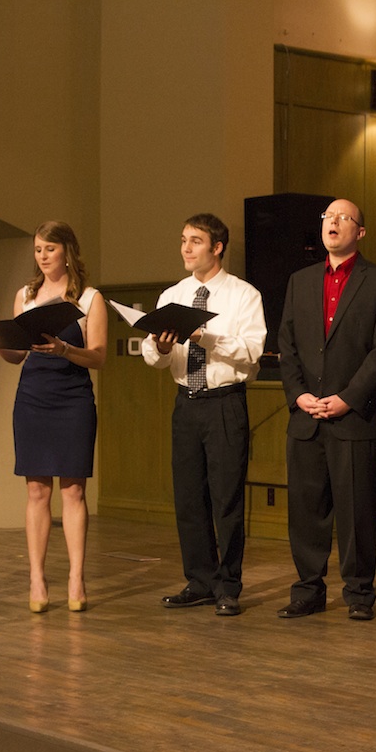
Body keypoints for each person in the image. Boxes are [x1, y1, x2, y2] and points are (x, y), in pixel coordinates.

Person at [277, 198, 376, 621]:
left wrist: (348, 397)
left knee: (356, 512)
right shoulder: (300, 280)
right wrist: (297, 395)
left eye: (343, 218)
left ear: (359, 232)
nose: (332, 223)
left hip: (353, 416)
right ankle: (308, 590)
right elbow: (287, 347)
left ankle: (359, 594)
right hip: (306, 415)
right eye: (328, 217)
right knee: (307, 512)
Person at [142, 213, 266, 616]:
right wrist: (161, 348)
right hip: (186, 404)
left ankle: (228, 585)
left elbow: (251, 354)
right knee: (189, 498)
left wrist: (202, 335)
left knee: (225, 499)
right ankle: (199, 580)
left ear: (217, 248)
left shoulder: (243, 295)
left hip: (225, 402)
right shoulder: (171, 295)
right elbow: (152, 356)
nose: (186, 248)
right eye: (182, 240)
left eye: (195, 241)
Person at [0, 221, 105, 613]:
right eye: (38, 249)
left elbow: (98, 356)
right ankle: (37, 578)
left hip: (73, 397)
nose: (42, 257)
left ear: (67, 252)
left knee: (73, 490)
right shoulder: (25, 295)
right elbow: (16, 354)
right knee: (36, 490)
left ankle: (76, 576)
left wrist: (64, 349)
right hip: (32, 397)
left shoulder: (90, 298)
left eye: (50, 249)